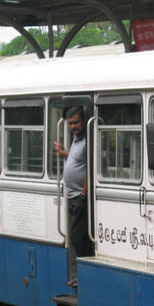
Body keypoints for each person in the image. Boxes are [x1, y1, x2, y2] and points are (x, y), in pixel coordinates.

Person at [54, 107, 93, 287]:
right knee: (74, 236)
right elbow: (77, 160)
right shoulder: (76, 141)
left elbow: (91, 169)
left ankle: (85, 275)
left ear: (84, 121)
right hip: (71, 196)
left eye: (76, 122)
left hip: (80, 197)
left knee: (78, 237)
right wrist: (64, 153)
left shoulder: (87, 141)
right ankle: (82, 274)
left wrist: (83, 195)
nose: (73, 126)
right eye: (70, 124)